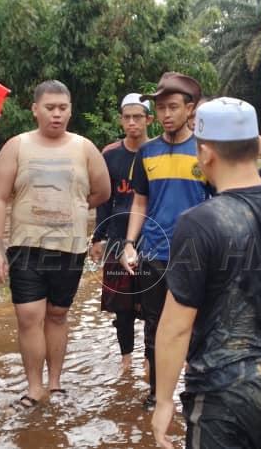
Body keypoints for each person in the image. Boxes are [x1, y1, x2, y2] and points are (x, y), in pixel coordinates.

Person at [151, 97, 261, 449]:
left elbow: (177, 325)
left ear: (206, 154)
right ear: (257, 147)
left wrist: (163, 401)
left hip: (223, 394)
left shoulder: (199, 222)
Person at [0, 80, 110, 413]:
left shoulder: (84, 148)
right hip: (25, 245)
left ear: (70, 110)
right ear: (35, 110)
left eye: (63, 108)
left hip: (69, 247)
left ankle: (55, 383)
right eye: (50, 108)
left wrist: (75, 207)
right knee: (29, 315)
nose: (57, 115)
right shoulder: (17, 146)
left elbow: (102, 192)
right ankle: (34, 387)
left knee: (57, 315)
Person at [119, 72, 208, 409]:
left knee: (199, 325)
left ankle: (196, 393)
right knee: (155, 326)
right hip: (154, 252)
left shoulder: (205, 150)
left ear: (190, 109)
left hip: (196, 254)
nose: (166, 115)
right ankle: (158, 393)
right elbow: (140, 201)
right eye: (160, 108)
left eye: (173, 107)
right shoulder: (147, 152)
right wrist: (129, 243)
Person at [93, 93, 153, 372]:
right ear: (121, 120)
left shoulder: (157, 152)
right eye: (127, 117)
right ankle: (126, 360)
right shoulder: (110, 154)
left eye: (137, 117)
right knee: (122, 305)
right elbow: (105, 198)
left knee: (153, 302)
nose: (132, 123)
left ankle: (149, 359)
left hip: (152, 236)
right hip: (118, 236)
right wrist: (98, 237)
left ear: (148, 120)